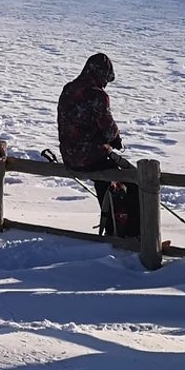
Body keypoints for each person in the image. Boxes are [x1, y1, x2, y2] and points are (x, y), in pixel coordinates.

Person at [58, 52, 137, 237]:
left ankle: (112, 227)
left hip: (69, 156)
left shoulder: (69, 89)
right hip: (90, 157)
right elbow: (108, 129)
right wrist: (115, 139)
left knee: (104, 182)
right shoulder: (97, 95)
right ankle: (131, 233)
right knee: (133, 181)